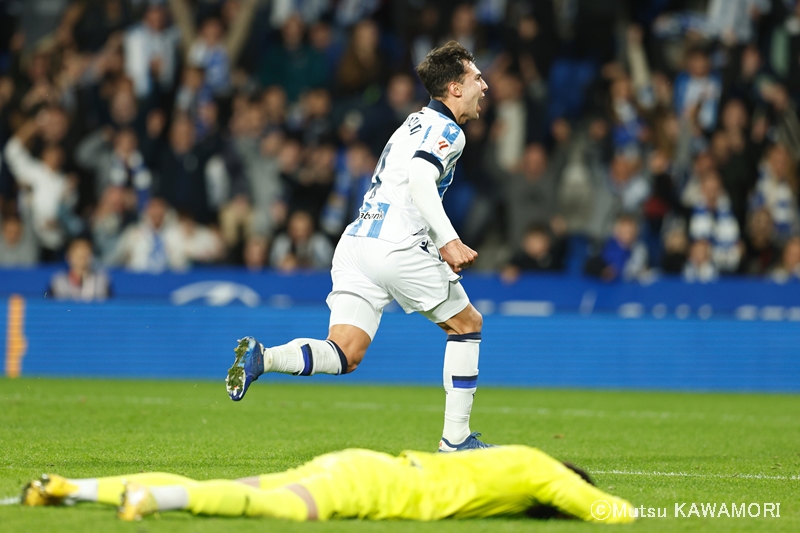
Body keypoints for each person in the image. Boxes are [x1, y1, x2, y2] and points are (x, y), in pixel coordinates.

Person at [226, 41, 491, 452]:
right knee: (467, 324)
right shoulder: (449, 131)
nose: (484, 86)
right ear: (455, 88)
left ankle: (265, 357)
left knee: (344, 353)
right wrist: (449, 241)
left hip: (357, 242)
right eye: (476, 78)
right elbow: (420, 181)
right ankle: (455, 441)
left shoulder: (413, 122)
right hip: (396, 245)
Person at [21, 445, 636, 524]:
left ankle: (67, 486)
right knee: (273, 509)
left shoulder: (513, 458)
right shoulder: (540, 473)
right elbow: (607, 510)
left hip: (361, 461)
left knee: (225, 481)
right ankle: (156, 499)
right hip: (374, 490)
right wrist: (652, 515)